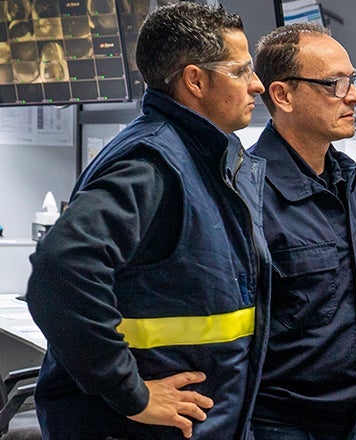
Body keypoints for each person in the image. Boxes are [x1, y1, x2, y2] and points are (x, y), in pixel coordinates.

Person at [25, 3, 268, 439]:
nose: (257, 85)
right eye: (241, 71)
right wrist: (130, 392)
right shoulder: (153, 163)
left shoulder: (207, 159)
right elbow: (60, 268)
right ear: (195, 80)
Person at [247, 23, 356, 440]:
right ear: (282, 95)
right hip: (276, 426)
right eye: (334, 84)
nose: (353, 95)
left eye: (352, 81)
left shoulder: (352, 183)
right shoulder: (245, 195)